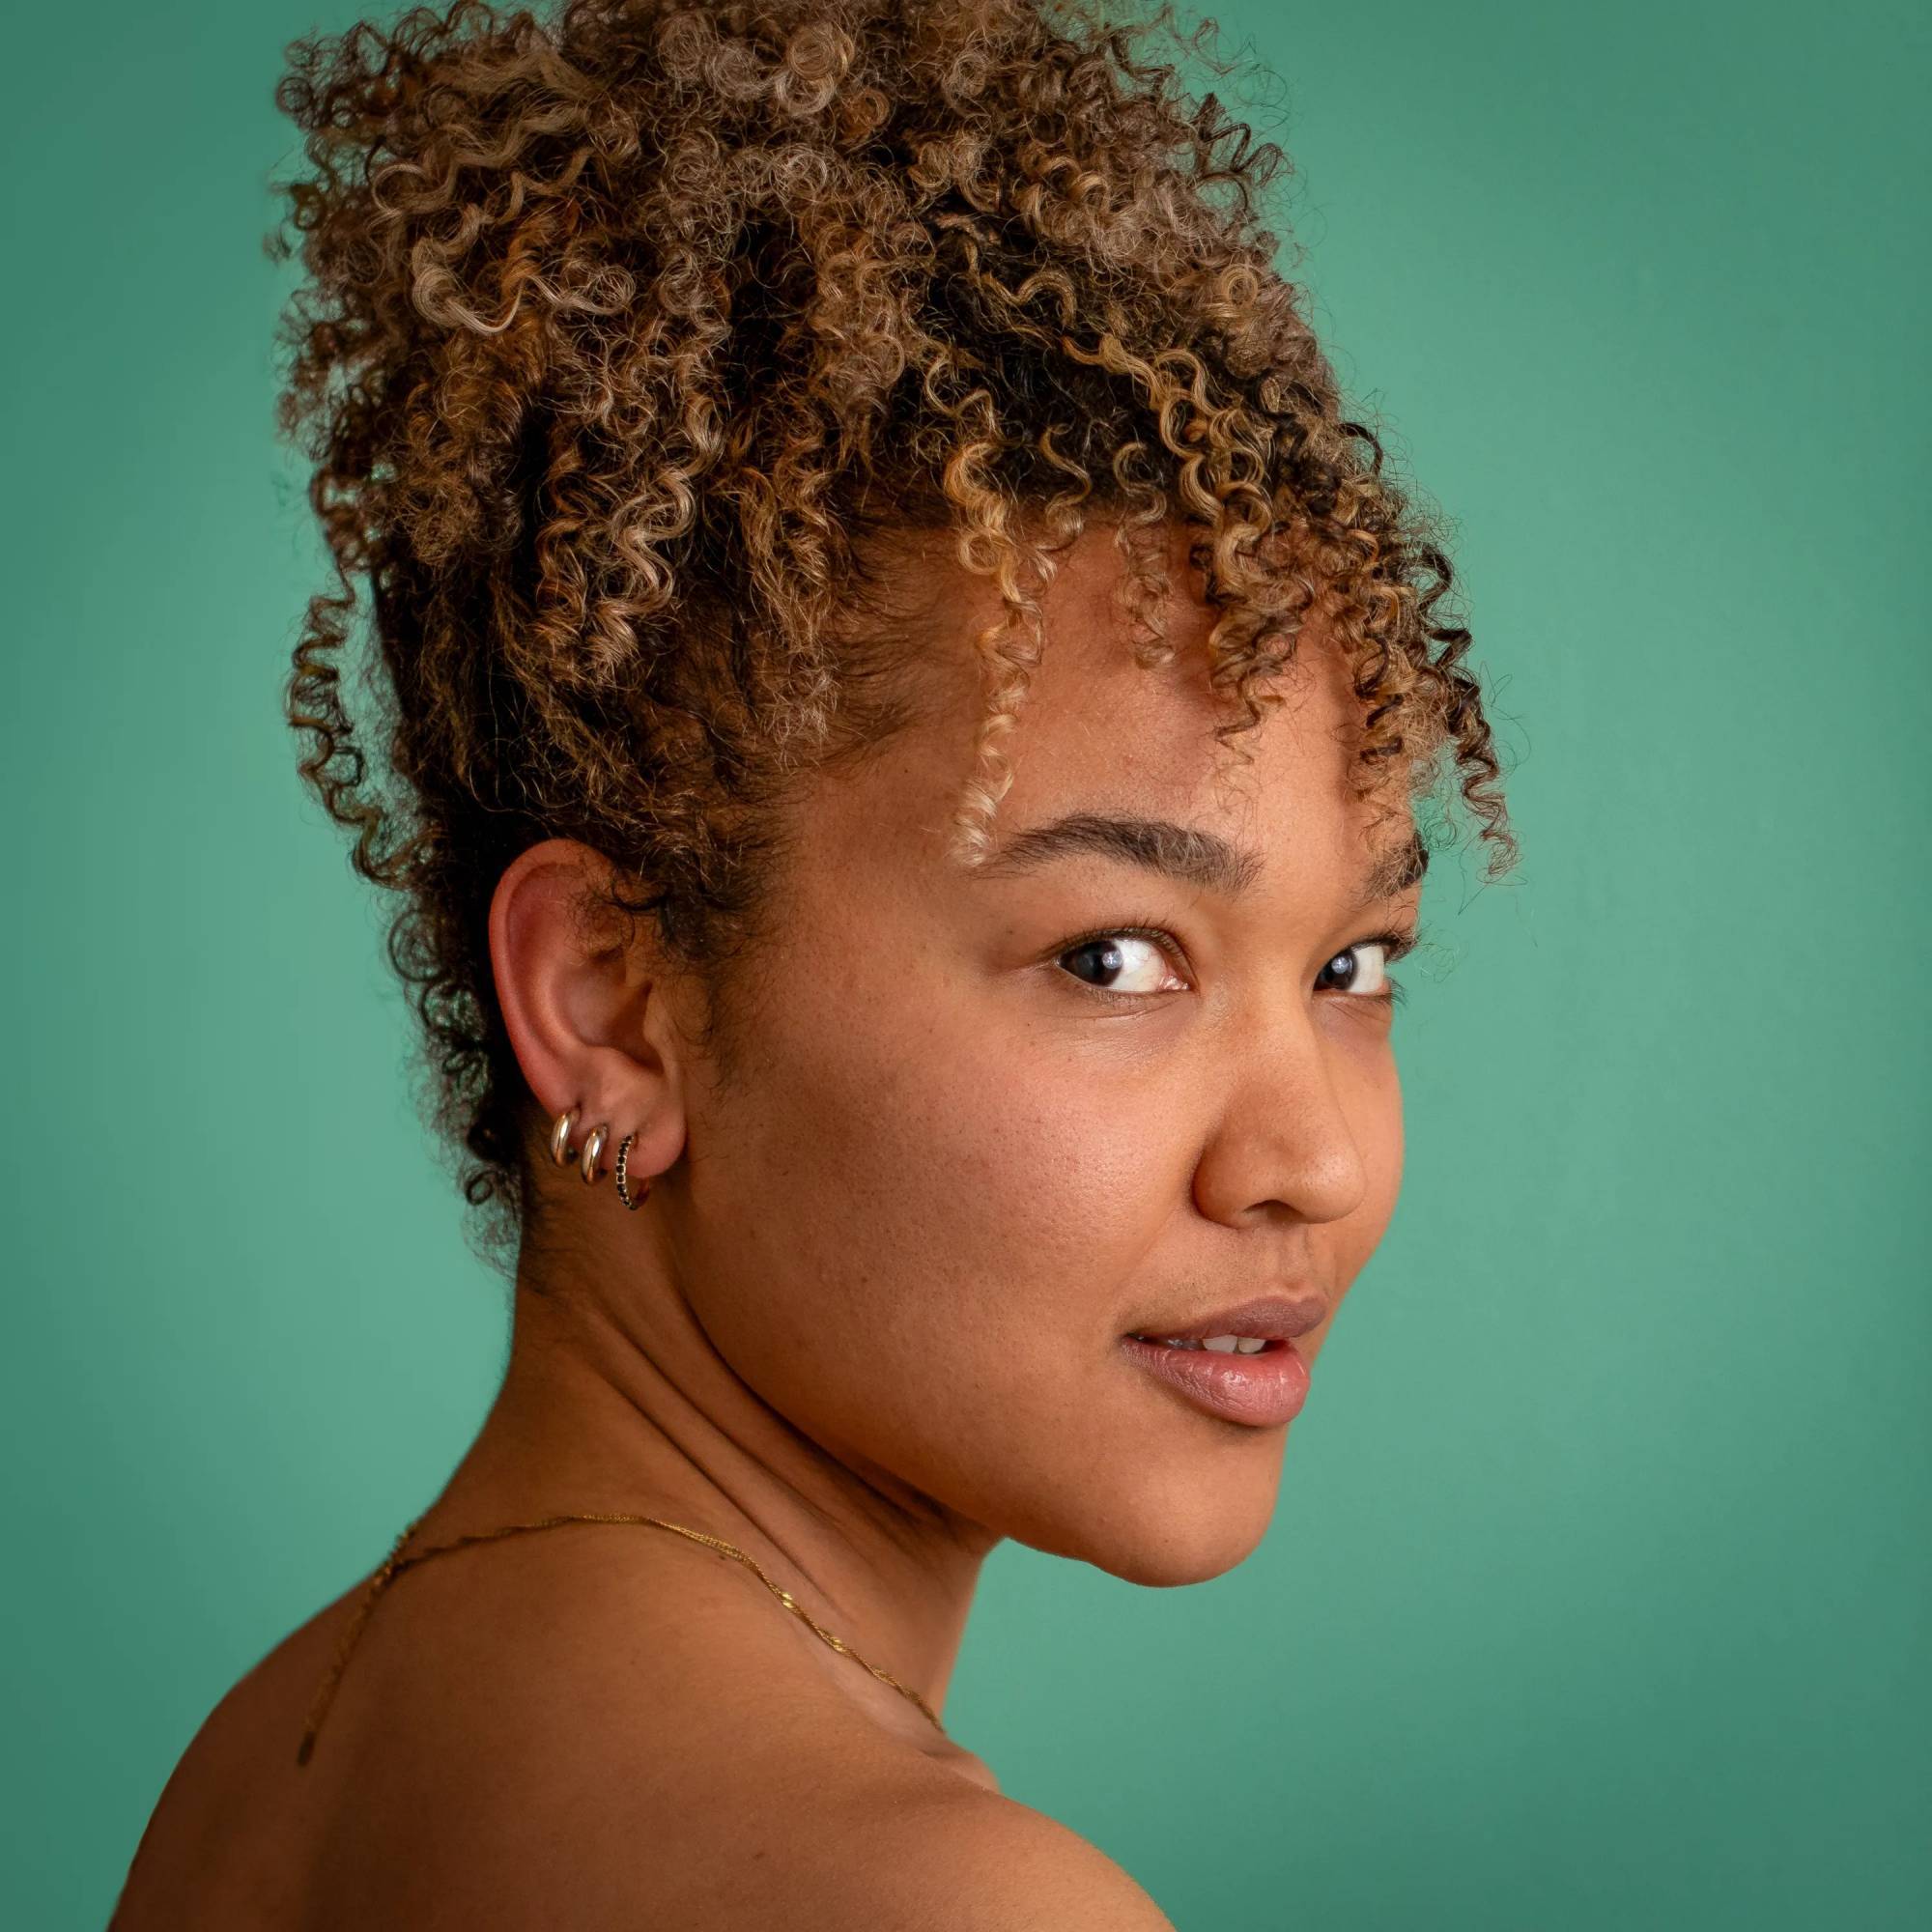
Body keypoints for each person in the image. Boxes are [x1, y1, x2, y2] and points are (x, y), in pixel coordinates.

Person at [112, 0, 1518, 1923]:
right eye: (1114, 956)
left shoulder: (274, 1764)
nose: (1315, 1163)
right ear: (613, 1003)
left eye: (1353, 967)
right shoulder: (950, 1902)